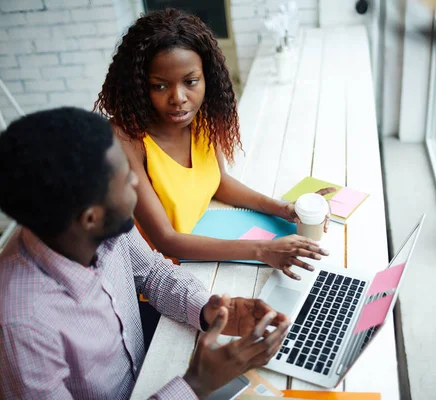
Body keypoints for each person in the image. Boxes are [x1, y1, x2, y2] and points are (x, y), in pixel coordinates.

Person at [0, 107, 290, 399]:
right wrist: (195, 386)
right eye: (126, 178)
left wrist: (212, 312)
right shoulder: (17, 329)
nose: (137, 181)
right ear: (90, 217)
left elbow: (152, 273)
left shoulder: (94, 228)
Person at [94, 8, 334, 282]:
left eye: (191, 81)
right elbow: (165, 240)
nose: (179, 98)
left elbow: (218, 181)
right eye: (160, 86)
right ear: (138, 85)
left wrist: (282, 209)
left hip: (205, 252)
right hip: (160, 280)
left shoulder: (199, 116)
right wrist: (263, 250)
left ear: (207, 77)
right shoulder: (126, 140)